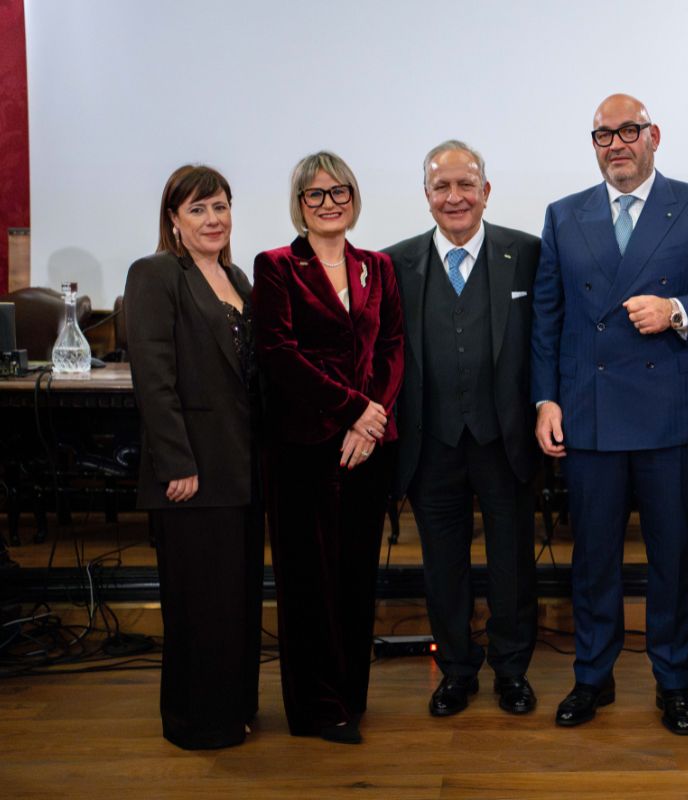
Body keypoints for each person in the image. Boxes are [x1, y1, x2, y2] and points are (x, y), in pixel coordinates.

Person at [531, 93, 688, 735]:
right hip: (590, 414)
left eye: (629, 131)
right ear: (593, 144)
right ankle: (591, 678)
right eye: (604, 135)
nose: (617, 144)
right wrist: (546, 399)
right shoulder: (563, 215)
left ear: (655, 136)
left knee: (670, 559)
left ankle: (673, 681)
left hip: (673, 415)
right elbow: (548, 317)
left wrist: (676, 310)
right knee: (593, 557)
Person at [383, 140, 540, 718]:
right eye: (442, 187)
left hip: (506, 439)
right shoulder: (393, 264)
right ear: (426, 197)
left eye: (465, 185)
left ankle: (512, 670)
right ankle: (454, 670)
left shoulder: (526, 254)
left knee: (512, 563)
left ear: (486, 191)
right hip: (431, 443)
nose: (455, 197)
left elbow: (546, 340)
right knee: (441, 565)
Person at [254, 151, 405, 745]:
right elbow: (279, 356)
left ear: (353, 197)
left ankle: (350, 697)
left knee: (354, 577)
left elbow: (392, 346)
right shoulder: (276, 267)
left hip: (366, 448)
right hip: (302, 449)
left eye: (338, 192)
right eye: (315, 195)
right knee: (307, 583)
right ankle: (316, 709)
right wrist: (351, 410)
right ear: (299, 205)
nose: (328, 203)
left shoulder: (378, 267)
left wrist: (370, 422)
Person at [125, 164, 262, 750]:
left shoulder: (239, 278)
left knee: (235, 603)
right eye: (199, 209)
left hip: (242, 472)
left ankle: (232, 711)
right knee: (197, 605)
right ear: (174, 221)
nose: (214, 219)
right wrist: (176, 462)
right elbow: (153, 379)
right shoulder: (156, 275)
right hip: (192, 473)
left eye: (221, 206)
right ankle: (195, 722)